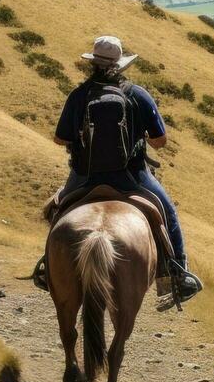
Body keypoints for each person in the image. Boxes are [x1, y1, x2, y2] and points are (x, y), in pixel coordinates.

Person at [37, 35, 200, 309]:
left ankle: (46, 267)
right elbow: (160, 141)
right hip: (131, 175)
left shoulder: (78, 96)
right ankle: (178, 275)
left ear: (92, 64)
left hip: (84, 175)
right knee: (168, 211)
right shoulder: (137, 95)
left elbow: (60, 139)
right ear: (120, 65)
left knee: (58, 210)